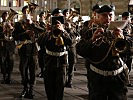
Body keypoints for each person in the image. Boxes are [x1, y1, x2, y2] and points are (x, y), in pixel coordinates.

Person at [76, 5, 130, 100]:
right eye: (104, 15)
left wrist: (123, 38)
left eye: (110, 15)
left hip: (118, 78)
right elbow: (80, 50)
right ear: (98, 17)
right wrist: (92, 40)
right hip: (97, 79)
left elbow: (130, 51)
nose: (108, 18)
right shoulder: (90, 32)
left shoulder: (123, 30)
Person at [13, 6, 44, 99]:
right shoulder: (18, 24)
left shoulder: (35, 23)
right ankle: (25, 88)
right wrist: (25, 33)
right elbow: (15, 36)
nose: (27, 13)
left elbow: (43, 31)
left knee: (33, 71)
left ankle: (31, 89)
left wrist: (33, 25)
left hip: (33, 51)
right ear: (23, 13)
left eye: (30, 11)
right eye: (25, 12)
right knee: (23, 71)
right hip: (23, 51)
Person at [41, 8, 72, 100]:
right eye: (55, 18)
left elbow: (71, 42)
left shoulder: (67, 29)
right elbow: (40, 43)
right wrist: (47, 32)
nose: (58, 20)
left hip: (62, 62)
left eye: (60, 17)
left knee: (60, 88)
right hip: (49, 61)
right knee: (49, 87)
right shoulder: (48, 29)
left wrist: (63, 31)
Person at [63, 8, 80, 88]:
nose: (67, 15)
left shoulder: (72, 25)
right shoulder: (61, 24)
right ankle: (64, 80)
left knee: (71, 65)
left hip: (72, 48)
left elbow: (75, 35)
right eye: (66, 14)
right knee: (64, 66)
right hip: (64, 48)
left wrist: (69, 28)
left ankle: (69, 81)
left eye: (68, 13)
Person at [0, 11, 15, 84]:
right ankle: (4, 76)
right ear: (2, 17)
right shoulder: (0, 25)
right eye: (5, 16)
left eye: (7, 16)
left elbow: (14, 34)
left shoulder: (12, 24)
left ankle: (9, 76)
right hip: (3, 45)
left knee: (10, 61)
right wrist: (3, 31)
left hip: (10, 45)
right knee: (2, 61)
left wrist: (11, 28)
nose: (6, 17)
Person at [121, 11, 133, 87]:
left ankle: (125, 80)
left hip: (130, 50)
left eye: (128, 17)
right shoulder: (121, 25)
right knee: (124, 67)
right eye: (126, 17)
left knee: (129, 66)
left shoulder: (130, 26)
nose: (127, 19)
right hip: (123, 49)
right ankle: (125, 81)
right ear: (123, 18)